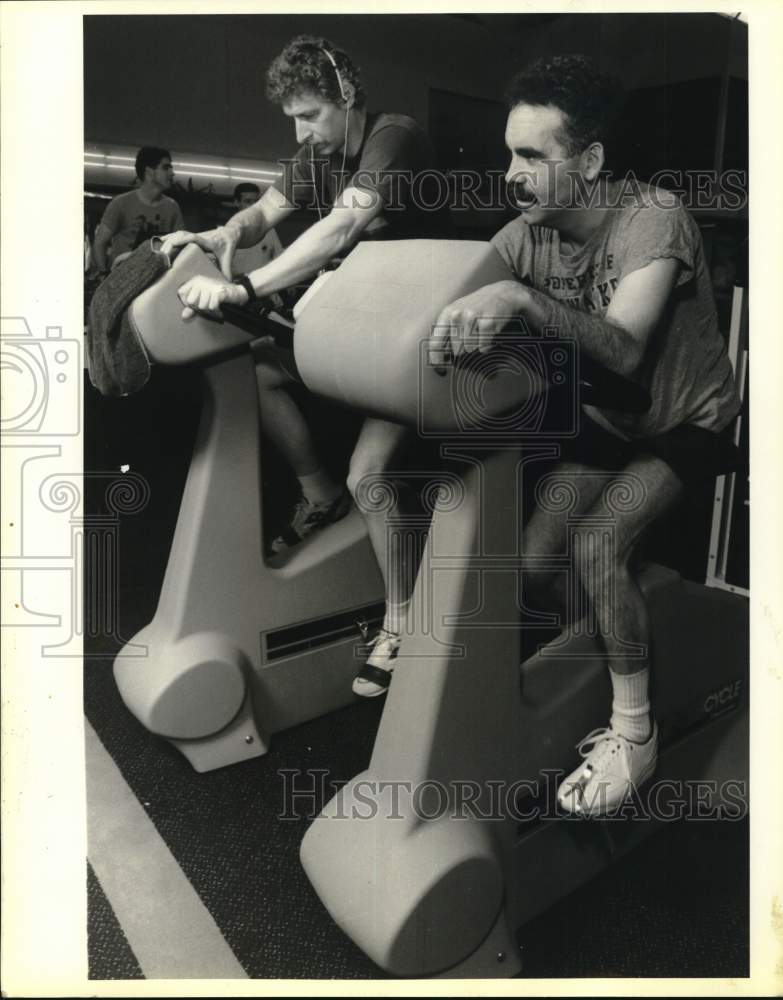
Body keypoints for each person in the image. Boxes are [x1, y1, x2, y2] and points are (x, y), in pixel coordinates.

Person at [430, 55, 740, 816]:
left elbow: (628, 348)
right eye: (509, 152)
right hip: (611, 420)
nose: (511, 172)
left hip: (685, 420)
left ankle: (634, 735)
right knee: (535, 565)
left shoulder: (651, 218)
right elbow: (439, 294)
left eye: (532, 156)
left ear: (590, 160)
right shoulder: (524, 235)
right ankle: (614, 649)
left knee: (597, 545)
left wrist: (519, 303)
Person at [161, 34, 452, 696]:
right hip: (369, 330)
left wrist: (247, 288)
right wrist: (222, 234)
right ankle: (315, 491)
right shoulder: (315, 153)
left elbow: (344, 226)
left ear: (346, 98)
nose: (302, 132)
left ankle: (400, 625)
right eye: (292, 118)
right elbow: (267, 208)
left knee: (369, 472)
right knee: (259, 372)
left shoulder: (392, 137)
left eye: (312, 114)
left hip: (432, 332)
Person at [92, 146, 184, 275]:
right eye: (165, 167)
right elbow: (99, 243)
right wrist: (103, 274)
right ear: (149, 172)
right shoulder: (121, 203)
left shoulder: (172, 207)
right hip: (122, 278)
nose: (172, 173)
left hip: (155, 279)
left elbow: (180, 245)